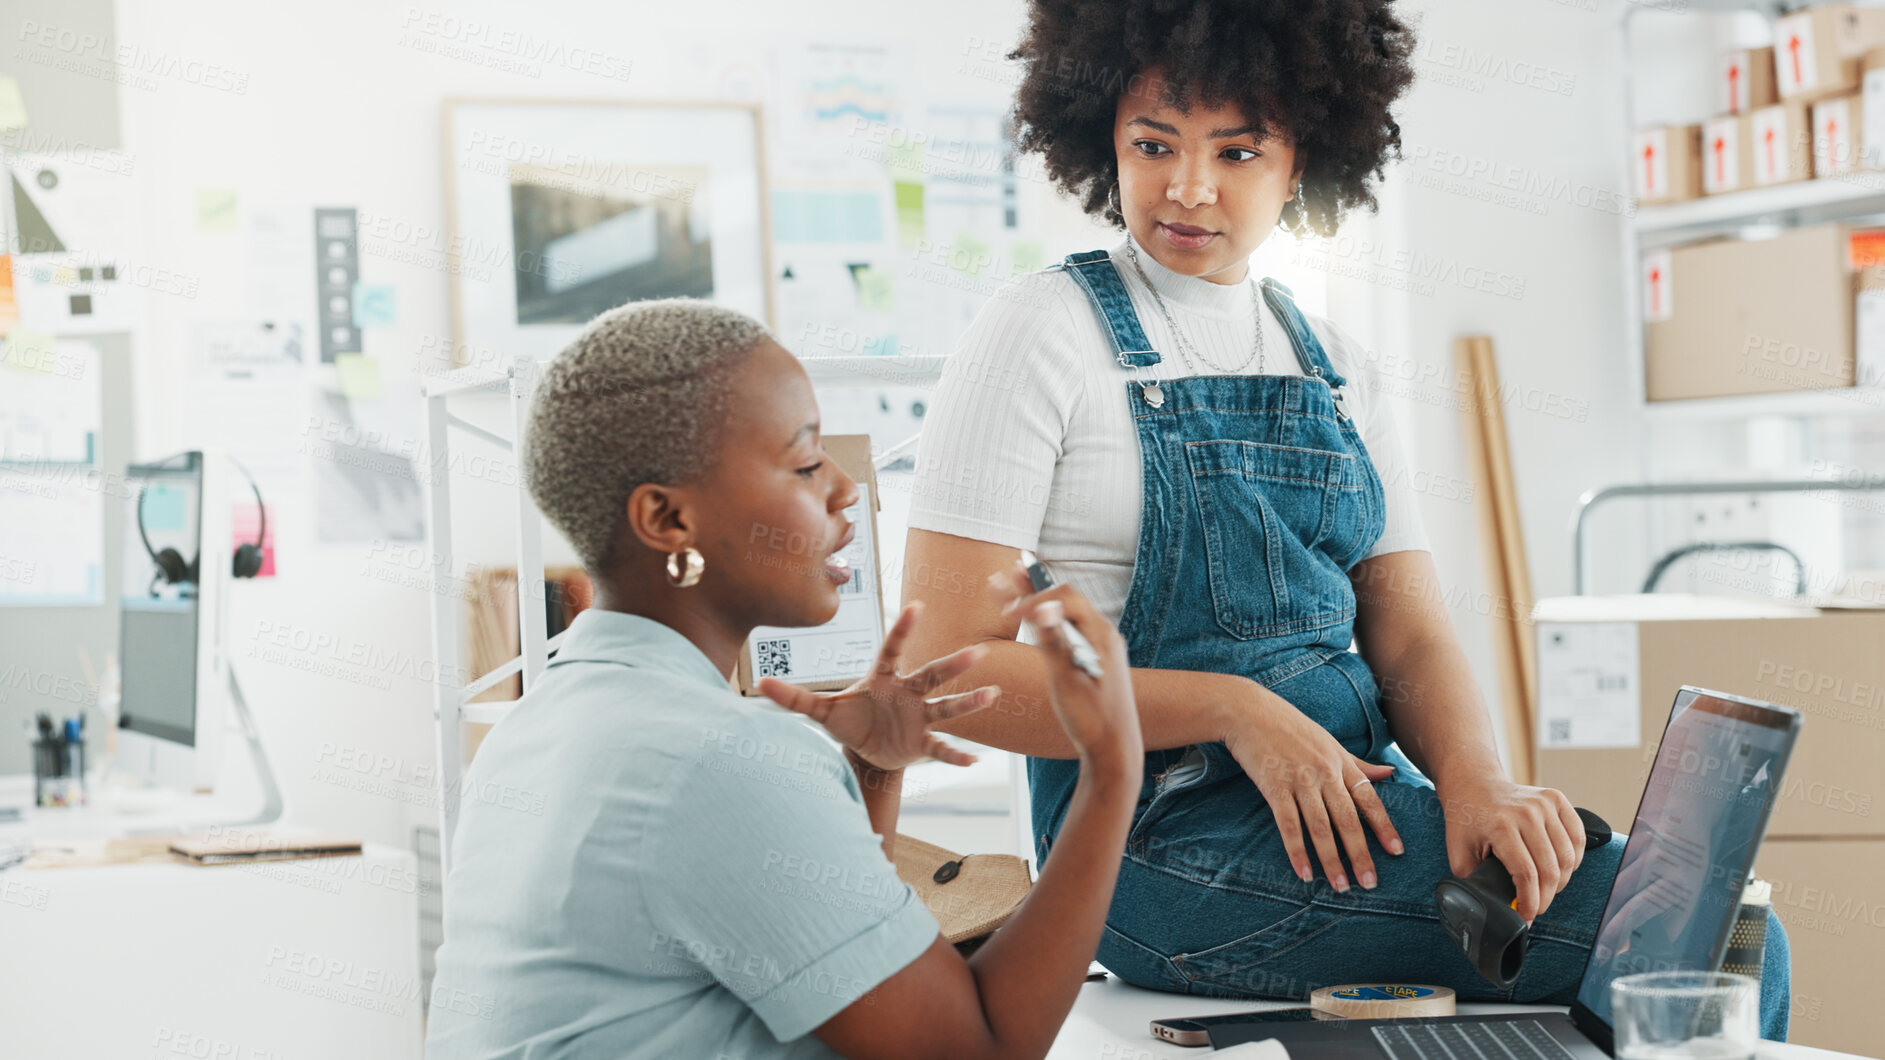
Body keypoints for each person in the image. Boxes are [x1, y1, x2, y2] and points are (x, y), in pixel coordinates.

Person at [897, 0, 1792, 1038]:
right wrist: (1235, 707)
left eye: (1236, 151)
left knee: (1709, 921)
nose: (1188, 187)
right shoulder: (1036, 334)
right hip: (1154, 845)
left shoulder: (1330, 364)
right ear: (1100, 134)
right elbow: (946, 681)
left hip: (1359, 807)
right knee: (1712, 941)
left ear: (1302, 160)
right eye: (1154, 144)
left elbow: (1406, 629)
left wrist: (1475, 782)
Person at [425, 297, 1144, 1059]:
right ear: (668, 522)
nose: (843, 488)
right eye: (804, 463)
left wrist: (870, 774)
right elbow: (977, 1049)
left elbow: (820, 959)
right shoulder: (714, 757)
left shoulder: (549, 717)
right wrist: (1111, 768)